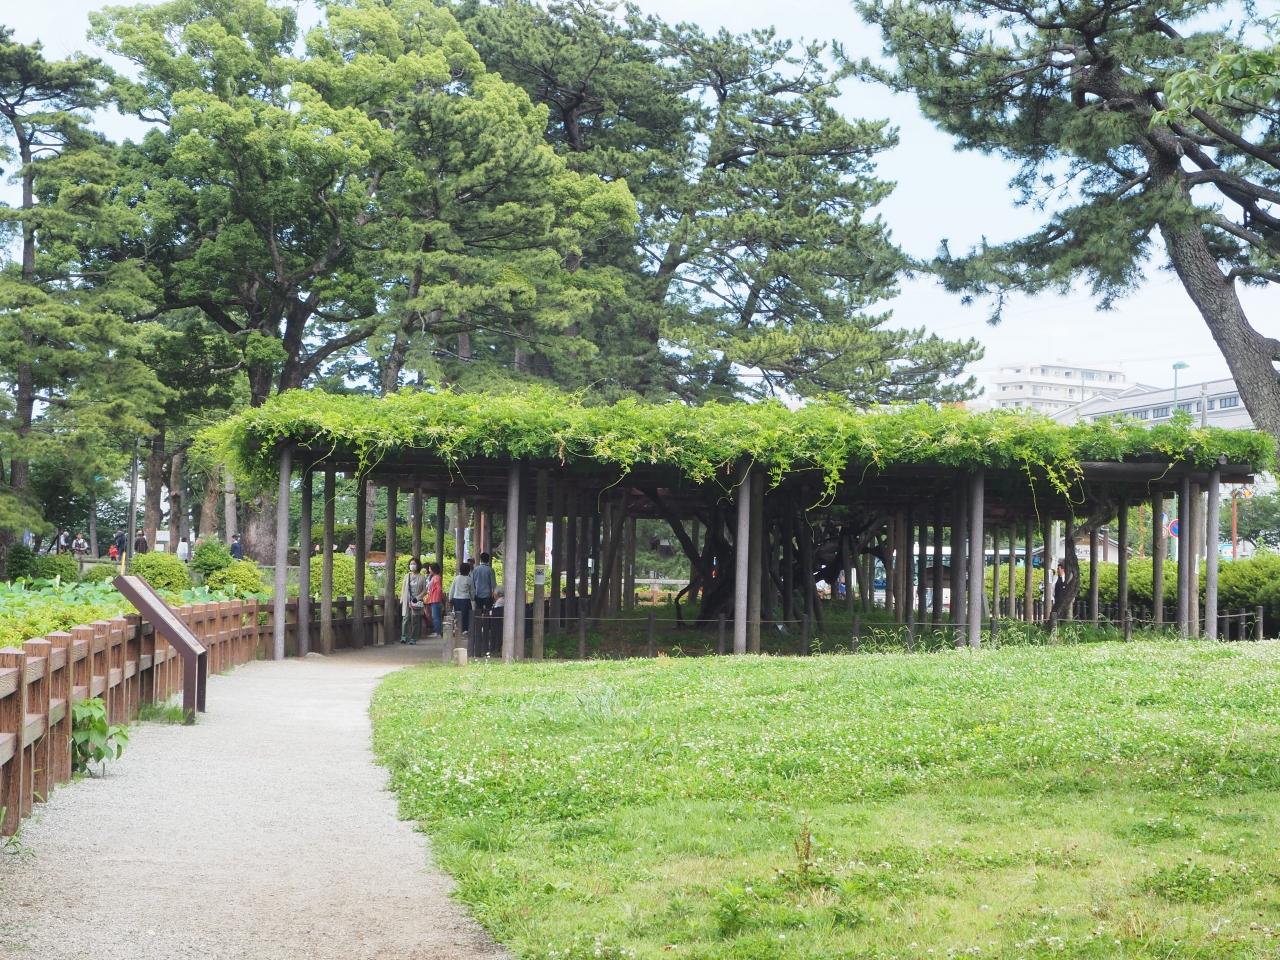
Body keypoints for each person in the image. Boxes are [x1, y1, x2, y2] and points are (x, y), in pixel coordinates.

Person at [400, 557, 428, 645]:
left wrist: (418, 598)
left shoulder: (422, 577)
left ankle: (413, 638)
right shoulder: (406, 576)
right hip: (407, 600)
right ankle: (404, 636)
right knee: (405, 618)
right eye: (411, 564)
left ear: (418, 565)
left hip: (416, 601)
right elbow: (403, 588)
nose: (412, 565)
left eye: (414, 564)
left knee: (415, 619)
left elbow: (425, 590)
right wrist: (402, 599)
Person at [449, 560, 474, 635]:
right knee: (466, 615)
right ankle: (465, 629)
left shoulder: (456, 578)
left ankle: (458, 629)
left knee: (457, 615)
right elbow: (472, 591)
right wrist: (472, 598)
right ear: (468, 570)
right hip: (465, 599)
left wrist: (450, 598)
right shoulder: (469, 579)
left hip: (456, 599)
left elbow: (452, 589)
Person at [425, 562, 444, 638]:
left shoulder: (436, 577)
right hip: (435, 599)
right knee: (437, 616)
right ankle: (438, 631)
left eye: (430, 568)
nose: (429, 570)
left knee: (435, 616)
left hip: (435, 599)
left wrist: (438, 597)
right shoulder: (435, 577)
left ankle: (437, 632)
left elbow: (439, 589)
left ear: (433, 569)